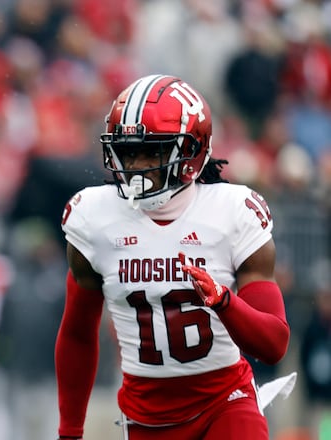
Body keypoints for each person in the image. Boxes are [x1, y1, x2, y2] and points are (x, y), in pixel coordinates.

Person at [55, 74, 290, 440]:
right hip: (146, 416)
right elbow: (77, 333)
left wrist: (224, 302)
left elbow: (274, 345)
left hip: (225, 401)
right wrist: (70, 431)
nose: (137, 165)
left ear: (192, 151)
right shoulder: (94, 218)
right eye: (129, 151)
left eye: (154, 150)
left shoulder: (232, 213)